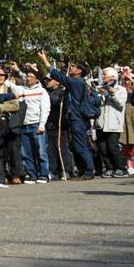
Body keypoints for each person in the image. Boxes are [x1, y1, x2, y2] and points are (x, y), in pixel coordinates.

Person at [38, 52, 96, 180]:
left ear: (80, 71)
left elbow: (58, 75)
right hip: (76, 118)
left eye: (74, 67)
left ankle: (89, 170)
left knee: (81, 146)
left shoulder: (76, 82)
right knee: (79, 145)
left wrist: (45, 60)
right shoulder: (77, 83)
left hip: (77, 118)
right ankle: (86, 169)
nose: (72, 68)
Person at [10, 66, 52, 183]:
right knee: (26, 153)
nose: (27, 78)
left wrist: (42, 124)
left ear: (37, 79)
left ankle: (44, 174)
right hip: (24, 125)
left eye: (30, 76)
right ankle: (31, 174)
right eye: (27, 76)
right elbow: (9, 84)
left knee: (41, 152)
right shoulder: (22, 90)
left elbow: (45, 108)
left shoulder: (42, 91)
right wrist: (13, 71)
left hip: (36, 124)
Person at [94, 67, 127, 177]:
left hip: (114, 123)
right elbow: (96, 104)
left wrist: (112, 94)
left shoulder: (121, 89)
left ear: (113, 77)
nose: (103, 77)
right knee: (103, 148)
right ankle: (109, 168)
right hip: (101, 123)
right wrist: (96, 95)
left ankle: (121, 168)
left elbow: (121, 104)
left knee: (112, 147)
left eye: (105, 75)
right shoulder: (100, 89)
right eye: (103, 75)